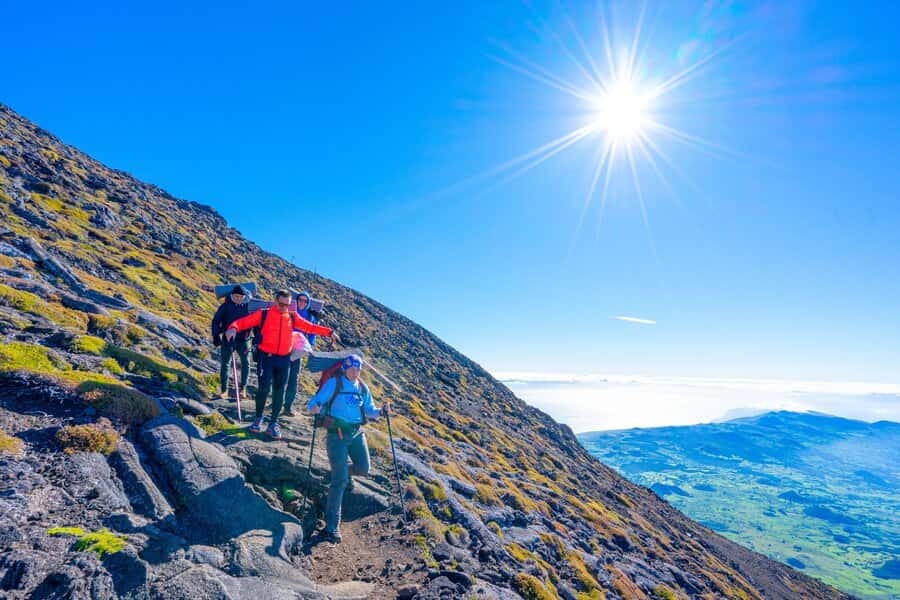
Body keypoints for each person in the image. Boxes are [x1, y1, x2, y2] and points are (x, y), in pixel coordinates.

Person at [226, 289, 336, 439]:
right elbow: (243, 322)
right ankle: (258, 419)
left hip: (284, 359)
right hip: (266, 358)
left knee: (279, 391)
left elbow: (310, 327)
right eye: (281, 304)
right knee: (263, 389)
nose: (284, 307)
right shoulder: (263, 314)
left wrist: (329, 332)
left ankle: (273, 423)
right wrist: (233, 328)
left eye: (287, 305)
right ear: (275, 300)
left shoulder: (292, 316)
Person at [307, 354, 389, 543]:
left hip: (356, 433)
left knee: (364, 468)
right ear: (345, 368)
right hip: (337, 434)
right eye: (352, 368)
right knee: (339, 481)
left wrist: (381, 412)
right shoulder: (335, 383)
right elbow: (315, 401)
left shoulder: (362, 387)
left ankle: (342, 472)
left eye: (358, 369)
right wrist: (314, 408)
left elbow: (368, 409)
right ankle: (332, 527)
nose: (355, 372)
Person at [211, 285, 251, 399]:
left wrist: (257, 337)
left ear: (244, 297)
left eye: (241, 297)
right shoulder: (225, 306)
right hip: (227, 339)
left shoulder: (248, 307)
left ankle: (243, 388)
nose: (239, 299)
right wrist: (216, 336)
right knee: (225, 364)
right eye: (236, 296)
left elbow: (255, 321)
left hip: (244, 340)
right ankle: (224, 390)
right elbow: (216, 321)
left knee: (246, 363)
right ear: (232, 295)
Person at [283, 291, 318, 417]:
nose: (302, 302)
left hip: (298, 351)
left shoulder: (310, 317)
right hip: (284, 347)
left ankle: (288, 406)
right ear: (296, 300)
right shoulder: (290, 311)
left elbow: (313, 332)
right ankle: (276, 402)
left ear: (308, 303)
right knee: (282, 377)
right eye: (300, 300)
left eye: (305, 301)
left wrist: (310, 345)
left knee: (294, 378)